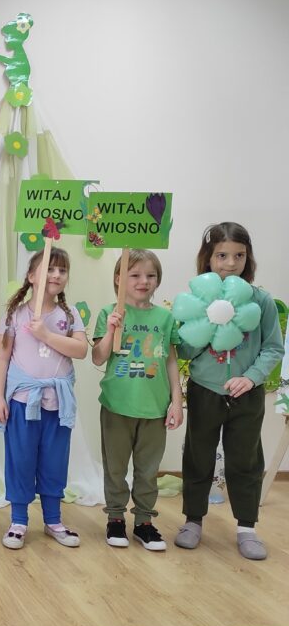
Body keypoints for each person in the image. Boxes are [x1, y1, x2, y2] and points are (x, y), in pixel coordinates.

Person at [175, 223, 283, 560]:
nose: (231, 263)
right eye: (222, 255)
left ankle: (246, 527)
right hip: (205, 389)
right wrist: (207, 326)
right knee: (198, 455)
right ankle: (193, 520)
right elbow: (183, 350)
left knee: (245, 458)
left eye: (239, 255)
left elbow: (273, 348)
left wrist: (250, 378)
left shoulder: (261, 300)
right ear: (208, 258)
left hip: (246, 394)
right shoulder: (195, 301)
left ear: (248, 258)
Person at [0, 247, 88, 550]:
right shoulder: (15, 314)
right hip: (22, 401)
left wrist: (46, 334)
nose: (56, 275)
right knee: (20, 459)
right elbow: (2, 357)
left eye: (62, 270)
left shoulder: (69, 316)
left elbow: (80, 350)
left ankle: (53, 520)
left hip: (58, 404)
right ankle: (18, 520)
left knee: (54, 460)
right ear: (32, 276)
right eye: (49, 269)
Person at [91, 250, 183, 551]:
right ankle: (115, 518)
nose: (144, 281)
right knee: (115, 468)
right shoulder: (109, 313)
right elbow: (98, 357)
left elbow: (170, 360)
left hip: (154, 408)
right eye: (135, 275)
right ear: (119, 279)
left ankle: (144, 521)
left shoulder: (165, 318)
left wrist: (176, 400)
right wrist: (111, 330)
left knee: (148, 470)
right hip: (117, 405)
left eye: (150, 275)